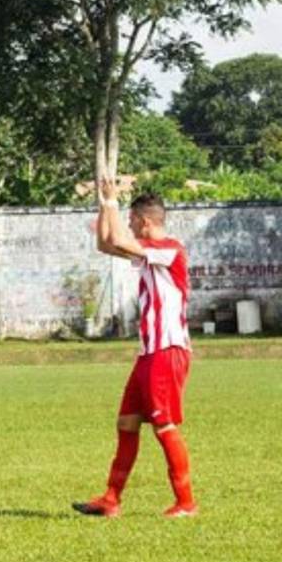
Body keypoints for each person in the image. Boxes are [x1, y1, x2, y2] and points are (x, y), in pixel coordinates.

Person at [73, 180, 197, 519]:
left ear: (144, 221)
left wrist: (113, 202)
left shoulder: (170, 249)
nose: (128, 226)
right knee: (127, 422)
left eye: (131, 220)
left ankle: (186, 503)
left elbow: (118, 239)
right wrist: (105, 204)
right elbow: (105, 243)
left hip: (167, 350)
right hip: (149, 353)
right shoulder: (149, 254)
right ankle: (110, 500)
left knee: (164, 425)